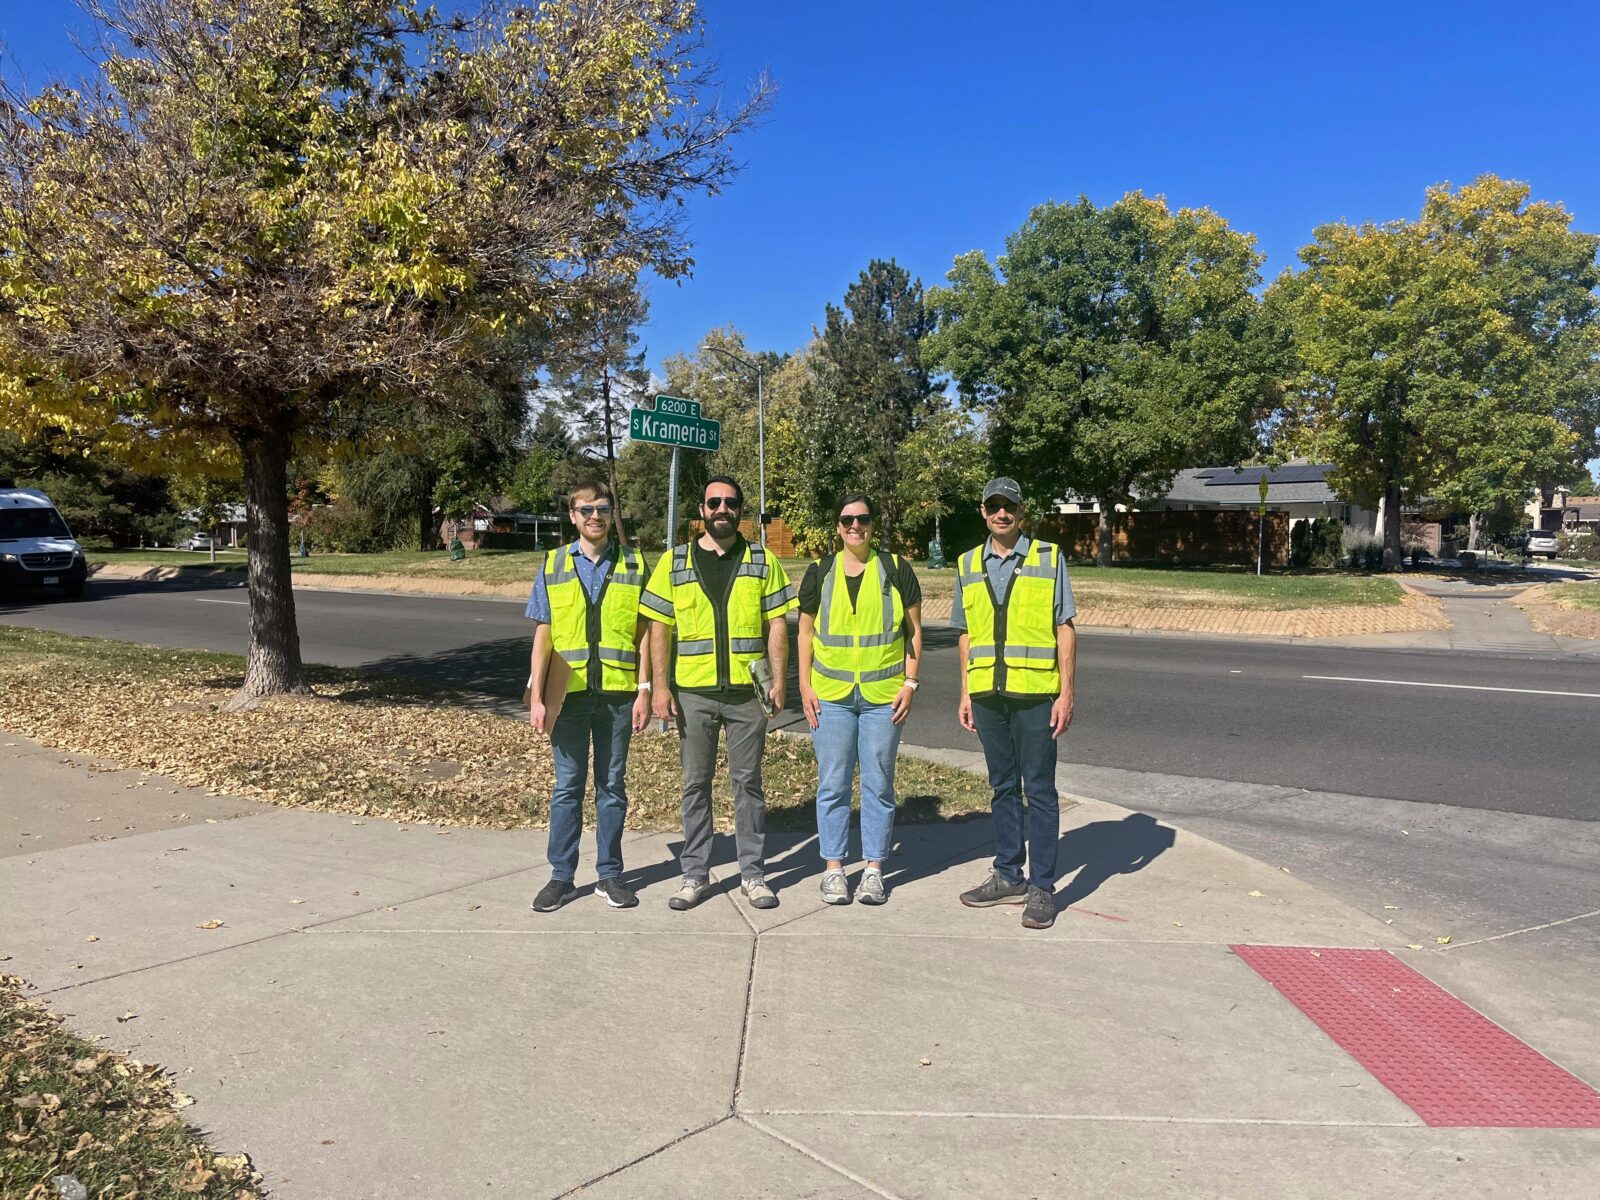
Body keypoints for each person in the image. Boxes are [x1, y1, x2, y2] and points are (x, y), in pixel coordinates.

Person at [642, 476, 797, 911]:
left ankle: (753, 874)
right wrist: (659, 686)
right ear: (702, 509)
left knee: (748, 783)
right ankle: (694, 874)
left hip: (748, 695)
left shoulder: (763, 560)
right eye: (714, 502)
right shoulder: (674, 563)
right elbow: (660, 627)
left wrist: (779, 682)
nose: (722, 509)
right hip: (693, 693)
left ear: (740, 510)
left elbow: (778, 625)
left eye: (730, 503)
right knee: (695, 784)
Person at [952, 476, 1078, 930]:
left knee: (1039, 791)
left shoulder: (1049, 557)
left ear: (1022, 512)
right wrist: (965, 690)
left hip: (1036, 697)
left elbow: (1065, 625)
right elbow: (965, 632)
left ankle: (1042, 887)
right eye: (993, 506)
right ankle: (1008, 874)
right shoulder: (967, 563)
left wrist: (1066, 692)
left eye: (1009, 506)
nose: (1001, 513)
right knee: (1002, 787)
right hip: (988, 695)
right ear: (983, 512)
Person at [525, 481, 652, 913]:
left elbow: (646, 634)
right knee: (567, 788)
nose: (594, 516)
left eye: (602, 508)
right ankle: (561, 877)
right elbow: (543, 633)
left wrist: (645, 690)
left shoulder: (635, 564)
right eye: (585, 510)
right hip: (568, 697)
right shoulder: (553, 563)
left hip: (618, 695)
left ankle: (610, 875)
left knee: (612, 787)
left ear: (611, 512)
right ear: (573, 516)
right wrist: (537, 696)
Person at [796, 493, 923, 906]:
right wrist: (804, 685)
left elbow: (914, 630)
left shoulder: (895, 568)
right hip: (830, 697)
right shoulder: (820, 571)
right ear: (838, 526)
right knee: (832, 784)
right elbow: (804, 632)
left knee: (879, 784)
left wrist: (910, 683)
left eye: (863, 519)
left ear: (872, 525)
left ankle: (873, 869)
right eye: (848, 519)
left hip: (883, 698)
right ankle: (833, 869)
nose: (855, 526)